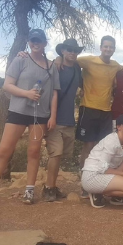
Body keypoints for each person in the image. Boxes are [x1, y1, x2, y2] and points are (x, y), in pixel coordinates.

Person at [0, 29, 60, 208]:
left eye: (39, 41)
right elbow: (7, 85)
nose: (35, 44)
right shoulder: (21, 59)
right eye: (32, 40)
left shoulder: (52, 66)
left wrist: (53, 115)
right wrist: (27, 94)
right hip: (18, 111)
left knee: (33, 152)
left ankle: (29, 191)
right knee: (4, 151)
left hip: (40, 114)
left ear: (45, 43)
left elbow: (54, 93)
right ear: (29, 42)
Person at [75, 36, 123, 181]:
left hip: (106, 111)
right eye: (106, 46)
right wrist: (58, 60)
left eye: (111, 47)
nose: (108, 49)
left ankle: (97, 174)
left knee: (103, 146)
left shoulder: (115, 65)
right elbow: (70, 60)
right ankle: (84, 173)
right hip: (89, 108)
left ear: (114, 49)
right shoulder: (89, 60)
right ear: (101, 47)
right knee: (88, 144)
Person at [42, 37, 84, 202]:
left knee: (60, 156)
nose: (72, 53)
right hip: (54, 118)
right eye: (69, 50)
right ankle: (49, 188)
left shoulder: (77, 69)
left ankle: (51, 186)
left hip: (68, 120)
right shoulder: (55, 67)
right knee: (55, 154)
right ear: (63, 51)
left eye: (75, 50)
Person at [81, 114, 123, 209]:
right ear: (118, 127)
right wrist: (120, 173)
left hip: (102, 172)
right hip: (92, 176)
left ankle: (116, 197)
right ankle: (96, 192)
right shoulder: (111, 141)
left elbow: (116, 160)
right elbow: (102, 167)